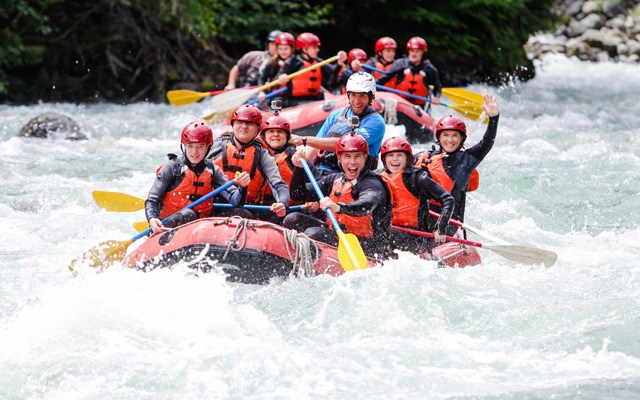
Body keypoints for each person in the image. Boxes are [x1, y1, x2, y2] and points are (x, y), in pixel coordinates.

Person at [283, 133, 393, 261]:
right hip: (338, 232)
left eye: (357, 156)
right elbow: (299, 194)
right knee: (292, 219)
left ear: (365, 157)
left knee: (313, 234)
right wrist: (299, 168)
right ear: (339, 157)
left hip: (370, 244)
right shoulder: (336, 179)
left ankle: (311, 261)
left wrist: (338, 207)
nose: (352, 162)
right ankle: (292, 259)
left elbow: (367, 205)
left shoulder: (372, 183)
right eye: (347, 156)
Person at [415, 94, 500, 235]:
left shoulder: (467, 160)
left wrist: (494, 119)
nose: (450, 140)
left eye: (455, 135)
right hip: (422, 218)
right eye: (446, 135)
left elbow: (486, 143)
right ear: (439, 137)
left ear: (461, 139)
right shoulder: (425, 157)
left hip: (449, 222)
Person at [145, 121, 251, 234]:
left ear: (207, 147)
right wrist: (152, 219)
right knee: (188, 214)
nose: (194, 152)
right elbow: (152, 200)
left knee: (242, 213)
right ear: (184, 146)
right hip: (171, 225)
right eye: (190, 146)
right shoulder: (172, 167)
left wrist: (242, 187)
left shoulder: (212, 169)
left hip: (203, 226)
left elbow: (236, 202)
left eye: (200, 146)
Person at [289, 71, 385, 173]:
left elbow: (346, 145)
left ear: (371, 97)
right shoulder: (337, 114)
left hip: (355, 177)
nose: (357, 101)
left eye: (362, 96)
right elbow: (316, 146)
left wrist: (304, 140)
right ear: (348, 95)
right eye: (353, 95)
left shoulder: (376, 122)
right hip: (324, 172)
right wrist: (303, 163)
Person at [207, 104, 290, 221]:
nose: (244, 127)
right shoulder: (216, 145)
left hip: (244, 206)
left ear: (257, 129)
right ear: (233, 125)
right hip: (212, 204)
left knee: (244, 213)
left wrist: (282, 203)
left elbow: (279, 185)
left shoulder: (261, 154)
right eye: (240, 122)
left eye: (250, 124)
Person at [379, 136, 454, 253]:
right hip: (390, 230)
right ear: (384, 159)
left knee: (383, 232)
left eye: (399, 155)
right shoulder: (378, 178)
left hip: (414, 236)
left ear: (407, 158)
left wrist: (441, 227)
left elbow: (448, 199)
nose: (395, 159)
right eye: (390, 155)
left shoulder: (417, 178)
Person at [277, 32, 347, 106]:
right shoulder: (292, 62)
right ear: (304, 49)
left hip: (314, 100)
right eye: (314, 47)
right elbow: (277, 79)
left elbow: (333, 70)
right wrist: (281, 77)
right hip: (295, 101)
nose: (317, 50)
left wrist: (340, 62)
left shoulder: (318, 61)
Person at [376, 36, 442, 108]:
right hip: (400, 104)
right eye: (412, 51)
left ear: (422, 52)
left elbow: (437, 86)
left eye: (417, 51)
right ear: (409, 51)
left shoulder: (429, 69)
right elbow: (384, 78)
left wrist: (436, 97)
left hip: (419, 107)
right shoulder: (400, 64)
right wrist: (373, 87)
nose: (414, 54)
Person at [257, 32, 295, 102]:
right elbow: (262, 79)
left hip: (292, 98)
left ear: (291, 48)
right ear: (277, 49)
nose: (283, 52)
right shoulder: (272, 63)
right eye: (280, 49)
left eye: (286, 49)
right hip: (275, 97)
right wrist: (261, 92)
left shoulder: (297, 62)